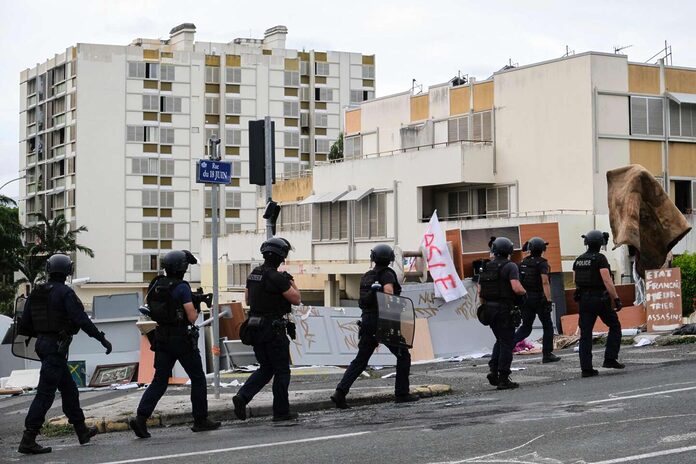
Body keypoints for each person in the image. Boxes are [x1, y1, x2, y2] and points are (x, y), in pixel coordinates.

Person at [17, 254, 113, 454]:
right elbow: (82, 321)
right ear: (68, 272)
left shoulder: (37, 293)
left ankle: (82, 431)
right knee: (45, 394)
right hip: (55, 348)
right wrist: (102, 339)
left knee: (69, 390)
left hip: (43, 346)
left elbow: (24, 324)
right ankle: (28, 438)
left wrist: (45, 332)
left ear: (48, 270)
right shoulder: (65, 293)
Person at [130, 250, 220, 438]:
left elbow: (153, 307)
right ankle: (200, 420)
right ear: (183, 268)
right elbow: (192, 316)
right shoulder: (182, 287)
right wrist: (195, 304)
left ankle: (140, 418)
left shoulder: (155, 283)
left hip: (161, 336)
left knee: (159, 381)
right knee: (198, 378)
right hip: (181, 338)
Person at [331, 244, 419, 409]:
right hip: (383, 321)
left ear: (373, 258)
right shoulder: (387, 274)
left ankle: (340, 393)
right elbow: (388, 294)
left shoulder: (367, 276)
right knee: (403, 355)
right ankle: (402, 394)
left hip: (367, 321)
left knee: (361, 360)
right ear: (390, 259)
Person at [233, 237, 301, 422]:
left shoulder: (254, 274)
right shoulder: (277, 277)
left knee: (266, 368)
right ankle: (281, 412)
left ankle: (242, 396)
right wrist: (291, 281)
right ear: (281, 256)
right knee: (281, 371)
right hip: (273, 329)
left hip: (255, 328)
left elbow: (247, 300)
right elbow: (296, 298)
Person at [573, 230, 624, 378]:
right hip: (599, 300)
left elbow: (576, 280)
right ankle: (610, 359)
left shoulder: (579, 260)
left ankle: (586, 369)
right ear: (601, 243)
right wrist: (616, 298)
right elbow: (607, 280)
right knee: (614, 326)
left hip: (583, 300)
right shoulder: (600, 259)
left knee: (585, 334)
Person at [479, 237, 527, 390]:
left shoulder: (486, 266)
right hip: (504, 309)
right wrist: (525, 294)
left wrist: (486, 306)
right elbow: (516, 287)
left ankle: (494, 371)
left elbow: (480, 291)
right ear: (509, 251)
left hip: (489, 309)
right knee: (507, 343)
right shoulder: (510, 266)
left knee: (499, 340)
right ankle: (503, 378)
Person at [514, 237, 560, 363]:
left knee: (526, 327)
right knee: (548, 326)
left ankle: (506, 345)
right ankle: (547, 354)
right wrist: (549, 300)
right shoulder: (542, 263)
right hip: (539, 298)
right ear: (542, 250)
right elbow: (545, 282)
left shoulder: (522, 263)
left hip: (525, 299)